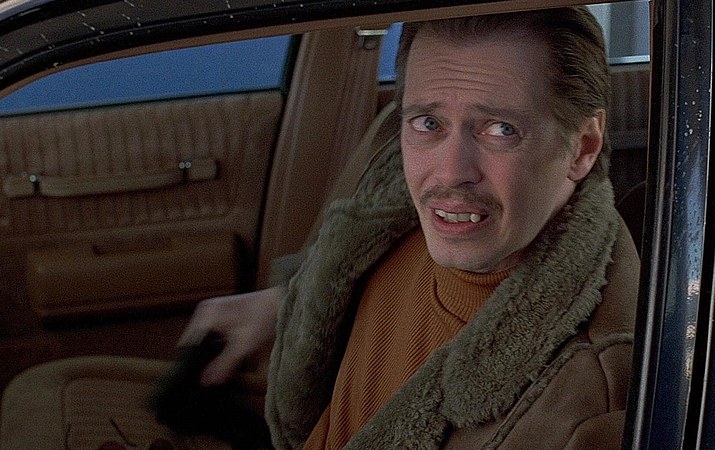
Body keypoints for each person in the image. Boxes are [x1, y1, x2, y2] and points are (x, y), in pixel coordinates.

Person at [180, 6, 639, 449]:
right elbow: (348, 275)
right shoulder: (393, 190)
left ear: (583, 147)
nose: (450, 172)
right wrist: (289, 303)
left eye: (501, 130)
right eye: (429, 122)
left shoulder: (589, 406)